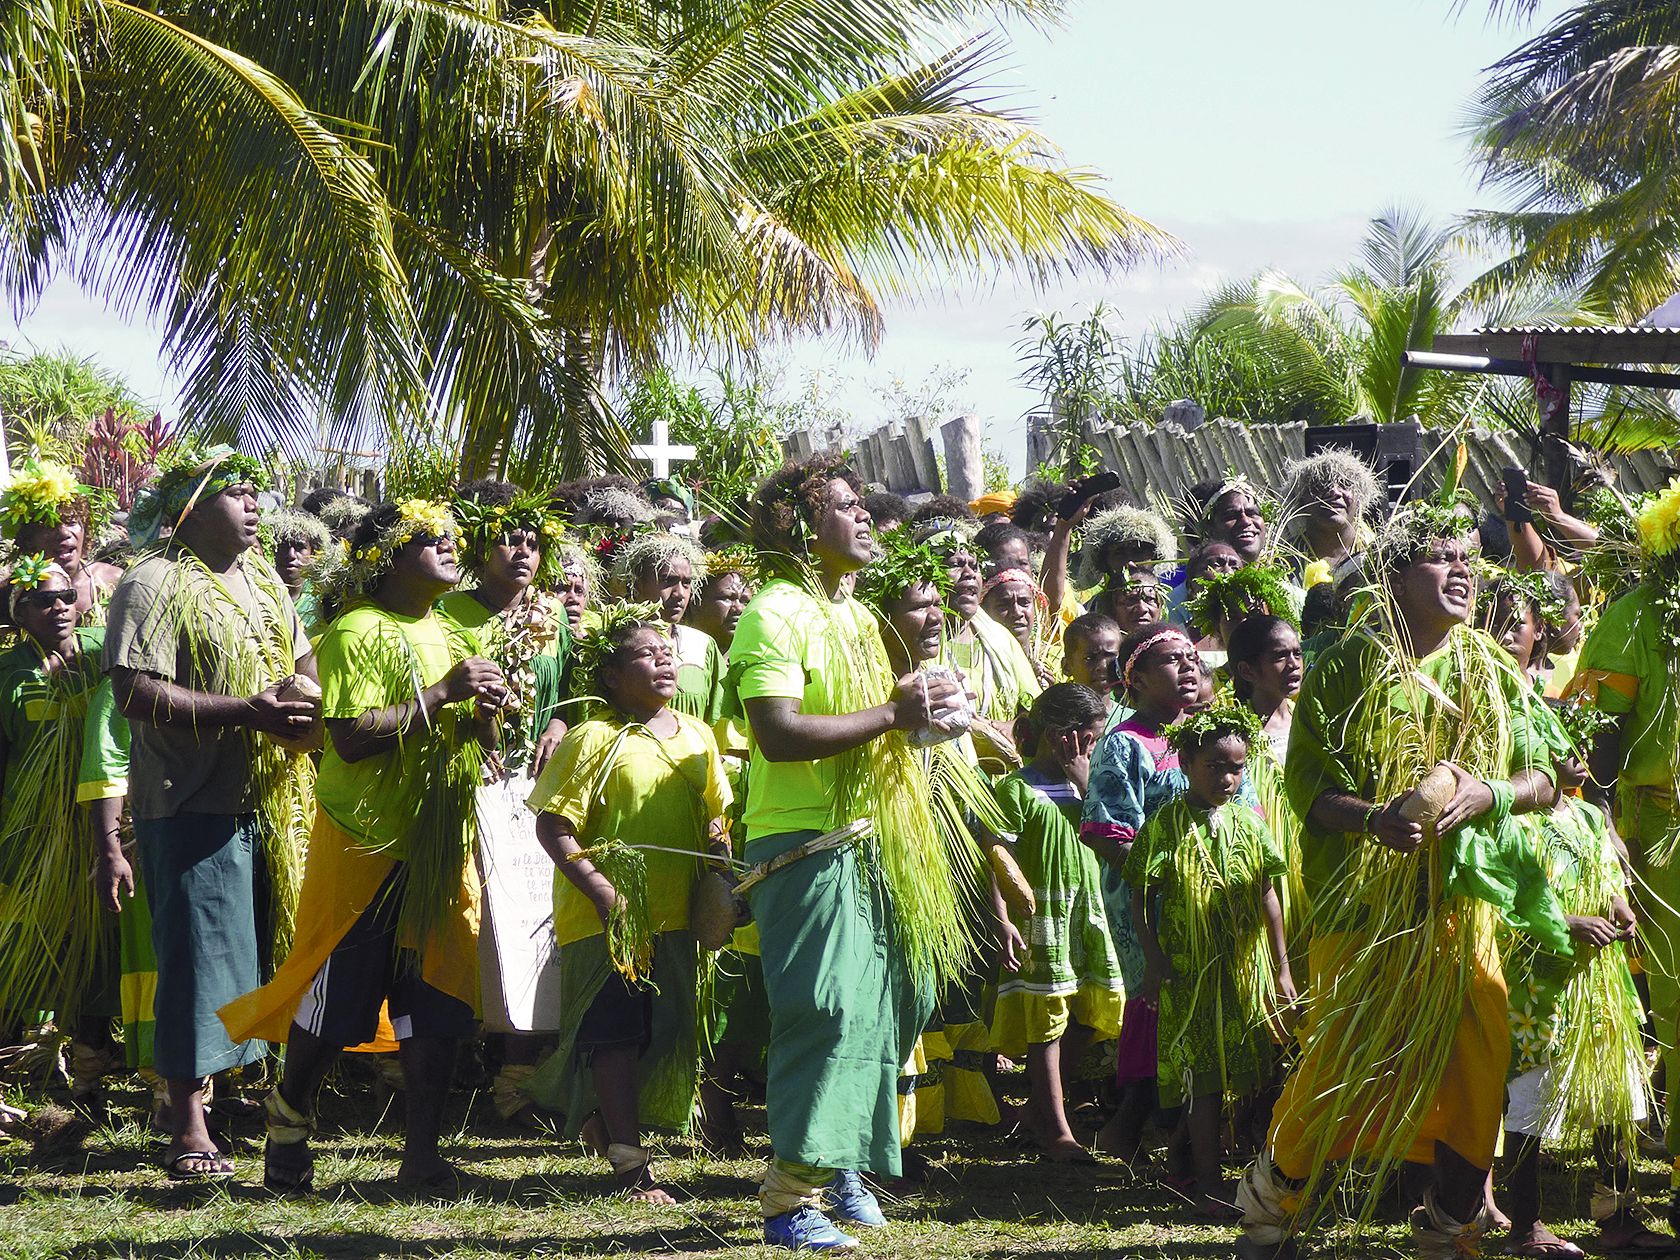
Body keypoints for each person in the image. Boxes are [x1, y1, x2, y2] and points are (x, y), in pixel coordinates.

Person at [1236, 499, 1563, 1259]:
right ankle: (1270, 1203)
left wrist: (1493, 792)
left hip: (1463, 911)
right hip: (1369, 914)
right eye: (1441, 558)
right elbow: (1310, 792)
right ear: (1393, 577)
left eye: (1467, 560)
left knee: (1480, 1074)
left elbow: (1549, 773)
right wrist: (1375, 819)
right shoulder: (1346, 666)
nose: (1462, 572)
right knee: (1342, 1066)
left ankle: (1448, 1227)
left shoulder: (1488, 669)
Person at [220, 498, 504, 1194]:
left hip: (439, 844)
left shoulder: (449, 630)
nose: (449, 545)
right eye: (429, 537)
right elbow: (347, 737)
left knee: (436, 1000)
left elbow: (463, 732)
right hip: (365, 843)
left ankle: (422, 1157)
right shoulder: (354, 632)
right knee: (339, 1002)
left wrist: (488, 715)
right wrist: (443, 693)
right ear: (386, 557)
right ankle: (288, 1119)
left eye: (450, 537)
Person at [730, 454, 964, 1249]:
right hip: (803, 841)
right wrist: (895, 717)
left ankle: (840, 1165)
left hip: (878, 837)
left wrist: (933, 712)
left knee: (889, 1009)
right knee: (826, 1012)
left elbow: (887, 716)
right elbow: (778, 732)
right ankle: (788, 1199)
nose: (865, 517)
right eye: (845, 505)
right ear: (800, 525)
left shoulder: (861, 617)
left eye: (865, 506)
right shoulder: (774, 612)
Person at [105, 444, 319, 1181]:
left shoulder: (263, 580)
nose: (256, 505)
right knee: (197, 960)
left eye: (259, 494)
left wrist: (304, 700)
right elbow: (132, 692)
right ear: (191, 507)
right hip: (188, 800)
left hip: (268, 799)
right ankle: (188, 1125)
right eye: (238, 493)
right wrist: (246, 712)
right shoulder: (153, 581)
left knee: (246, 956)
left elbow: (303, 659)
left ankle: (198, 1099)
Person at [525, 606, 732, 1204]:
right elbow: (553, 827)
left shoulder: (698, 734)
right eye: (644, 654)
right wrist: (606, 896)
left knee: (660, 1034)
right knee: (616, 1037)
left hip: (676, 917)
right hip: (609, 921)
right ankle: (630, 1166)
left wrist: (720, 878)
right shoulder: (594, 738)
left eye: (665, 651)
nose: (662, 660)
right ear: (611, 677)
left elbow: (714, 819)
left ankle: (603, 1125)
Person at [1495, 595, 1653, 1258]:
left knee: (1617, 1094)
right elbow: (1502, 899)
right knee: (1530, 1101)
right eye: (1563, 752)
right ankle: (1526, 1221)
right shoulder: (1507, 825)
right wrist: (1567, 921)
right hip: (1540, 991)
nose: (1577, 760)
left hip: (1601, 987)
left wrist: (1617, 910)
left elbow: (1611, 877)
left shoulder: (1588, 818)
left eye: (1580, 751)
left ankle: (1616, 1216)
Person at [1126, 701, 1293, 1219]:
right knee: (1203, 1079)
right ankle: (1205, 1185)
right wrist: (1152, 959)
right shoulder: (1166, 824)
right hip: (1187, 973)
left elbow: (1268, 892)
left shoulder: (1249, 821)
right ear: (1185, 764)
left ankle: (1194, 1161)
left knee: (1242, 1074)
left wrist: (1282, 965)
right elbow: (1139, 894)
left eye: (1236, 767)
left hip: (1241, 972)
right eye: (1214, 766)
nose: (1226, 776)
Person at [441, 480, 573, 1121]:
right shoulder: (450, 614)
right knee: (477, 916)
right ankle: (477, 1059)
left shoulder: (551, 618)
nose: (522, 552)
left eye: (532, 542)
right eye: (508, 540)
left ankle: (528, 1064)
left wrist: (555, 727)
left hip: (536, 784)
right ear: (479, 548)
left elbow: (574, 696)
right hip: (471, 779)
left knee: (533, 915)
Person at [1570, 478, 1680, 1230]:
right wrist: (1606, 833)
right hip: (1664, 836)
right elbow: (1598, 747)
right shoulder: (1635, 619)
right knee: (1674, 1008)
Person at [0, 555, 120, 1104]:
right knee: (27, 944)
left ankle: (92, 1067)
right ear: (18, 610)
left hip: (105, 829)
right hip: (31, 841)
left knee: (100, 940)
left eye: (67, 596)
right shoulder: (8, 674)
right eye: (43, 600)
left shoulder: (105, 653)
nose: (59, 608)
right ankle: (19, 1064)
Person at [1081, 623, 1201, 1158]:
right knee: (1159, 997)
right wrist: (1165, 882)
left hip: (1209, 896)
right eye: (1173, 661)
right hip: (1147, 900)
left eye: (1193, 657)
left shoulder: (1206, 736)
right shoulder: (1125, 745)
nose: (1189, 667)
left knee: (1199, 1004)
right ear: (1136, 679)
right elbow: (1109, 833)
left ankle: (1181, 1131)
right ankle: (1129, 1124)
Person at [990, 683, 1124, 1163]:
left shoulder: (1086, 784)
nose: (1093, 748)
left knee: (1092, 1009)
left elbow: (1107, 828)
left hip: (1088, 912)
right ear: (1059, 735)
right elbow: (996, 856)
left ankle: (1041, 1109)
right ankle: (1056, 1129)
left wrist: (1085, 778)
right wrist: (1003, 918)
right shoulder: (1016, 788)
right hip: (1043, 915)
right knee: (1046, 1017)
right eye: (1088, 740)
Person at [615, 531, 723, 722]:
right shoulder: (614, 644)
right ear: (637, 585)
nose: (679, 593)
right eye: (668, 581)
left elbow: (718, 719)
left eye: (687, 583)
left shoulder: (702, 646)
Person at [0, 459, 124, 625]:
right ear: (28, 540)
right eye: (49, 526)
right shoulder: (13, 595)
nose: (64, 533)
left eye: (72, 522)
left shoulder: (113, 581)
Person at [1280, 449, 1383, 586]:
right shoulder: (1283, 565)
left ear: (1360, 497)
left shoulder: (1381, 556)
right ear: (1301, 501)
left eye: (1345, 484)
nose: (1334, 492)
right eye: (1321, 485)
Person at [979, 566, 1056, 687]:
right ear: (984, 610)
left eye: (1024, 602)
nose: (1017, 612)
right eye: (1004, 605)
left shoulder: (1053, 660)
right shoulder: (978, 664)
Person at [263, 507, 332, 628]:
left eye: (299, 547)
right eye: (283, 545)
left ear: (313, 553)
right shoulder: (261, 593)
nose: (291, 555)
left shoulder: (323, 599)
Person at [686, 551, 754, 658]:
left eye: (744, 601)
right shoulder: (673, 652)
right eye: (726, 598)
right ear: (695, 602)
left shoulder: (755, 656)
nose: (739, 608)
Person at [1190, 475, 1270, 565]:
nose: (1246, 521)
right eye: (1231, 516)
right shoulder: (1184, 578)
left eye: (1252, 513)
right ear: (1209, 531)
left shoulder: (1285, 574)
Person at [1061, 612, 1121, 716]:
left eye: (1111, 657)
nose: (1103, 666)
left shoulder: (1133, 722)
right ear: (1067, 666)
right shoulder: (1057, 719)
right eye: (1090, 658)